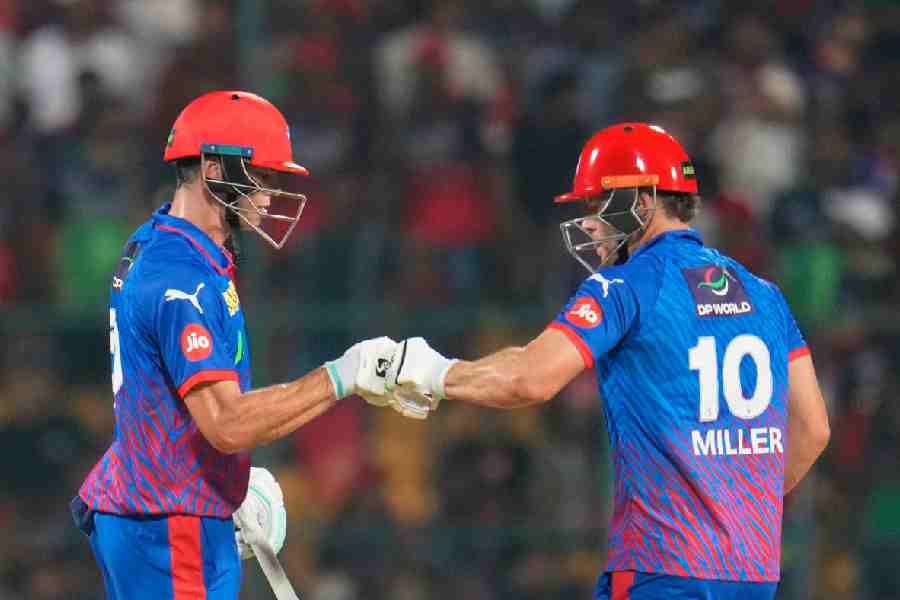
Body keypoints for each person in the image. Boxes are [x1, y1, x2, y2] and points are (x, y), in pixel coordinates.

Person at [385, 123, 831, 600]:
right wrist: (732, 507)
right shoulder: (766, 296)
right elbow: (814, 430)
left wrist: (429, 372)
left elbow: (530, 381)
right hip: (751, 573)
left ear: (641, 202)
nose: (591, 224)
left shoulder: (626, 286)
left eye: (597, 206)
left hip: (663, 569)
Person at [71, 90, 405, 600]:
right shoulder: (181, 279)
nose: (270, 194)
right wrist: (342, 376)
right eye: (261, 176)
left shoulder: (163, 242)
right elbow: (225, 422)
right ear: (212, 167)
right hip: (170, 527)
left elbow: (158, 401)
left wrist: (221, 480)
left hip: (159, 509)